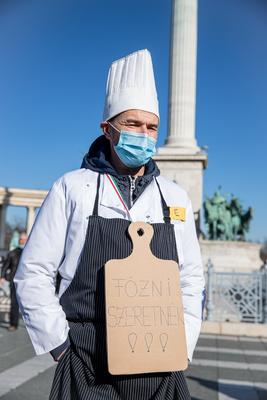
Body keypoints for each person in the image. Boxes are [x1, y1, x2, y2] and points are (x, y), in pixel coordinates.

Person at [14, 49, 205, 400]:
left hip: (163, 368)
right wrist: (61, 347)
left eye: (152, 127)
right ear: (108, 128)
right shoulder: (72, 187)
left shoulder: (175, 198)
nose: (144, 135)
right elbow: (34, 272)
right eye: (133, 124)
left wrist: (184, 345)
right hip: (87, 366)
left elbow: (190, 279)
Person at [0, 231, 27, 331]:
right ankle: (13, 323)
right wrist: (2, 277)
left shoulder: (30, 252)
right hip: (15, 281)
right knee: (14, 303)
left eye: (25, 239)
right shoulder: (12, 253)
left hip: (27, 281)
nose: (23, 241)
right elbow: (5, 266)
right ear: (19, 240)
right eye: (21, 239)